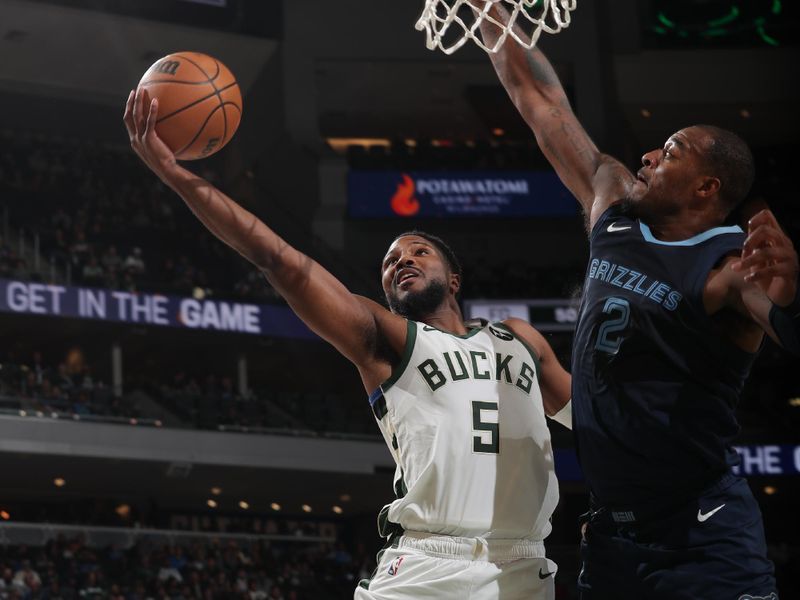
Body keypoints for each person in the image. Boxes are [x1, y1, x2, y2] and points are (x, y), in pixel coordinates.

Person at [123, 88, 572, 599]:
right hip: (428, 566)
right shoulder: (390, 339)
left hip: (524, 566)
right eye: (389, 261)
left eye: (418, 251)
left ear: (454, 279)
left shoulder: (519, 338)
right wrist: (179, 178)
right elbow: (281, 261)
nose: (401, 260)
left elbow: (595, 417)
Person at [480, 7, 798, 599]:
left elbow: (788, 330)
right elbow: (541, 101)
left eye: (672, 152)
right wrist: (489, 14)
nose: (650, 155)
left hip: (701, 534)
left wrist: (789, 303)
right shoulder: (613, 209)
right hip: (611, 535)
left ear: (707, 188)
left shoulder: (732, 261)